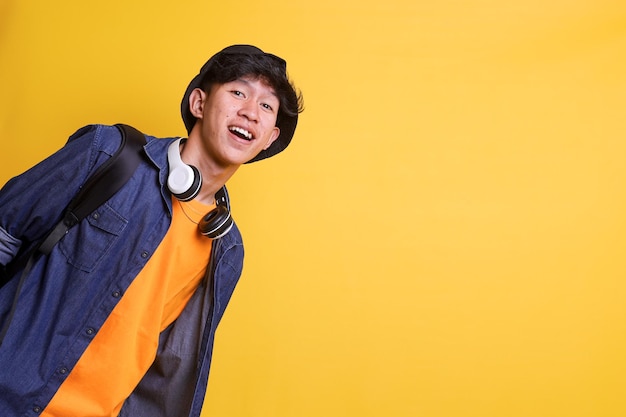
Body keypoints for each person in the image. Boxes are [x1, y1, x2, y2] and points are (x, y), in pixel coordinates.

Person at [0, 44, 303, 417]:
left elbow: (170, 363)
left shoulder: (226, 250)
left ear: (270, 138)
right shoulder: (107, 153)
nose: (249, 112)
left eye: (266, 106)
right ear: (199, 103)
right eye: (238, 92)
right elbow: (5, 230)